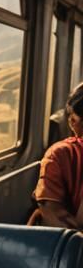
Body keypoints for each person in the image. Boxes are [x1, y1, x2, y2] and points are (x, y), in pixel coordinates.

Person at [31, 83, 83, 229]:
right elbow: (52, 213)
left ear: (73, 121)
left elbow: (52, 214)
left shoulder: (60, 154)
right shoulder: (62, 154)